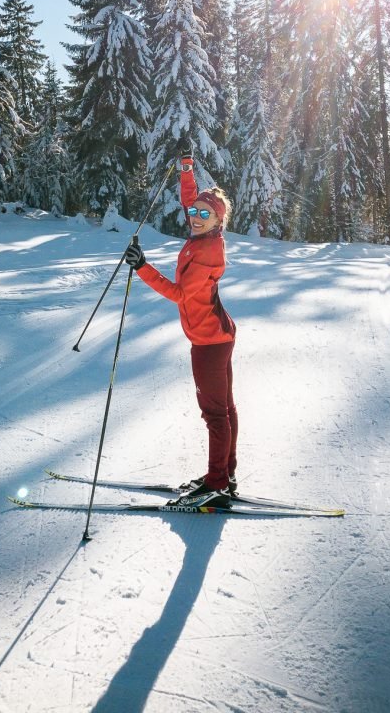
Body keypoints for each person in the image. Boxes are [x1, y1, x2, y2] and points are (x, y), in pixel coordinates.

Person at [125, 140, 237, 509]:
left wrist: (142, 266)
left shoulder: (207, 249)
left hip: (208, 341)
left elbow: (178, 294)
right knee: (225, 409)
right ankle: (225, 474)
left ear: (220, 220)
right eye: (194, 212)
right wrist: (186, 167)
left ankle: (218, 483)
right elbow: (191, 199)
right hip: (216, 334)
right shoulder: (203, 233)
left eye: (205, 214)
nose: (195, 216)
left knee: (215, 414)